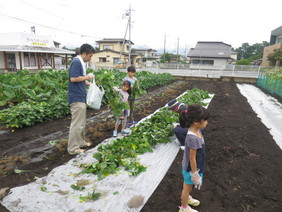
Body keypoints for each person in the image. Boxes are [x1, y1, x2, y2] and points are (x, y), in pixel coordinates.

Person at [178, 104, 210, 212]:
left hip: (192, 166)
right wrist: (195, 173)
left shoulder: (198, 130)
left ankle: (186, 198)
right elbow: (192, 159)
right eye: (205, 120)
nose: (207, 122)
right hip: (190, 169)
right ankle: (184, 207)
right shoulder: (193, 138)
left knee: (187, 187)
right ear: (196, 122)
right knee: (187, 187)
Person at [67, 43, 95, 155]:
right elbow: (73, 78)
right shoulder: (76, 62)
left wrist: (88, 83)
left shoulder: (81, 63)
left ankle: (81, 142)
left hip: (81, 97)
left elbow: (80, 79)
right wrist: (88, 77)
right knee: (77, 124)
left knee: (81, 123)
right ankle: (73, 148)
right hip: (76, 97)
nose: (90, 59)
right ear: (84, 53)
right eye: (90, 56)